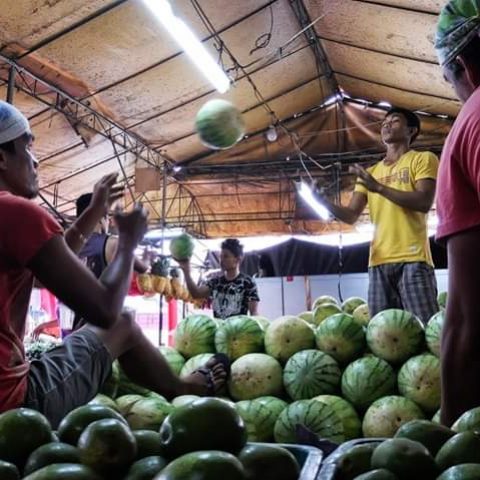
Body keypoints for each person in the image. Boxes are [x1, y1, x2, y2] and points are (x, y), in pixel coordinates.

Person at [0, 100, 228, 427]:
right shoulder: (16, 213)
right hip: (12, 407)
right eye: (27, 147)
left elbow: (41, 272)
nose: (35, 161)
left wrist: (92, 214)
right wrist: (128, 244)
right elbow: (104, 312)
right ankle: (183, 387)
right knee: (122, 322)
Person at [312, 107, 440, 324]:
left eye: (395, 120)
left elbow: (423, 202)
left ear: (411, 131)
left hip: (414, 259)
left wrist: (378, 188)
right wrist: (322, 201)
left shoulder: (422, 159)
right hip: (378, 261)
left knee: (427, 330)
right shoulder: (370, 173)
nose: (387, 124)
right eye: (384, 122)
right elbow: (351, 215)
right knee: (381, 334)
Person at [434, 0, 480, 427]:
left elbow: (467, 315)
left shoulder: (473, 121)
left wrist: (450, 431)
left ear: (463, 65)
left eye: (451, 83)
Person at [71, 192, 149, 330]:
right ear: (101, 219)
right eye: (107, 218)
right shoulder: (112, 243)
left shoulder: (69, 245)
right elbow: (142, 268)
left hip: (77, 328)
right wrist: (149, 257)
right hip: (100, 329)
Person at [178, 239, 260, 319]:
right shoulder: (215, 282)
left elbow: (254, 312)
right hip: (219, 332)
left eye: (226, 256)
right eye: (220, 257)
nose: (221, 260)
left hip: (238, 332)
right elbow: (196, 294)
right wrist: (186, 272)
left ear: (238, 259)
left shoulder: (247, 283)